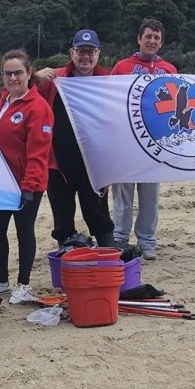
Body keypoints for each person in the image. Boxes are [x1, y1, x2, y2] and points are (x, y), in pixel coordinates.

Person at [34, 29, 117, 248]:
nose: (85, 57)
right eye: (80, 51)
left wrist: (110, 170)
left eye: (90, 52)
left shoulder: (109, 83)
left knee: (99, 216)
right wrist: (34, 78)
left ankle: (108, 256)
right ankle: (67, 260)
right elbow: (22, 95)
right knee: (62, 218)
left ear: (98, 54)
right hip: (58, 164)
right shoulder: (54, 78)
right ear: (72, 52)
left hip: (94, 165)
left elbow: (117, 128)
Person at [0, 49, 53, 303]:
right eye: (8, 73)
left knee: (24, 231)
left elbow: (39, 153)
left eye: (18, 72)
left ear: (29, 73)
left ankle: (23, 283)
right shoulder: (1, 102)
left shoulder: (39, 108)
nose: (12, 78)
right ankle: (1, 281)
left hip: (26, 184)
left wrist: (30, 186)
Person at [109, 18, 177, 260]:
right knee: (122, 197)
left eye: (156, 38)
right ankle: (120, 239)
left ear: (161, 42)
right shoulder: (122, 66)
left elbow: (176, 107)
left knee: (150, 198)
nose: (152, 41)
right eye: (148, 36)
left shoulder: (170, 70)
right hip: (125, 143)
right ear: (139, 39)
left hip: (154, 145)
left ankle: (147, 241)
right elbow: (109, 101)